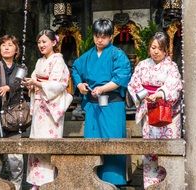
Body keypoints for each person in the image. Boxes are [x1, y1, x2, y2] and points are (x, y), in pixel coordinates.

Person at [72, 18, 132, 187]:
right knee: (92, 140)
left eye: (104, 36)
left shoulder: (117, 55)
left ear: (111, 37)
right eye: (97, 36)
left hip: (111, 104)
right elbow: (75, 68)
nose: (100, 40)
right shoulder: (87, 55)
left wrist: (102, 88)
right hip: (92, 105)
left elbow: (121, 78)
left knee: (112, 140)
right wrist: (79, 85)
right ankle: (93, 180)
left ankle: (114, 182)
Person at [127, 32, 183, 189]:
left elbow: (174, 86)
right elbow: (133, 84)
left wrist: (158, 94)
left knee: (168, 151)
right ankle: (150, 185)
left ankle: (170, 185)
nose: (155, 51)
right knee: (150, 152)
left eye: (160, 48)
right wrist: (146, 95)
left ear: (166, 51)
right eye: (153, 47)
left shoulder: (171, 67)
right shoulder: (142, 65)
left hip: (168, 115)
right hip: (150, 113)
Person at [22, 29, 72, 190]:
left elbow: (60, 84)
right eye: (39, 42)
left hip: (51, 108)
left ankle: (49, 182)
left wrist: (38, 83)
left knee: (48, 142)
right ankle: (36, 183)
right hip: (39, 105)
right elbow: (35, 78)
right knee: (36, 141)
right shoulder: (39, 62)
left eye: (44, 41)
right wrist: (30, 84)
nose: (41, 45)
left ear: (54, 42)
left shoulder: (58, 61)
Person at [0, 35, 26, 190]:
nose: (6, 47)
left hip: (13, 118)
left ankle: (16, 187)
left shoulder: (22, 68)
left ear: (16, 50)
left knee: (16, 158)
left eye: (10, 45)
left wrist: (9, 87)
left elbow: (18, 82)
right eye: (3, 45)